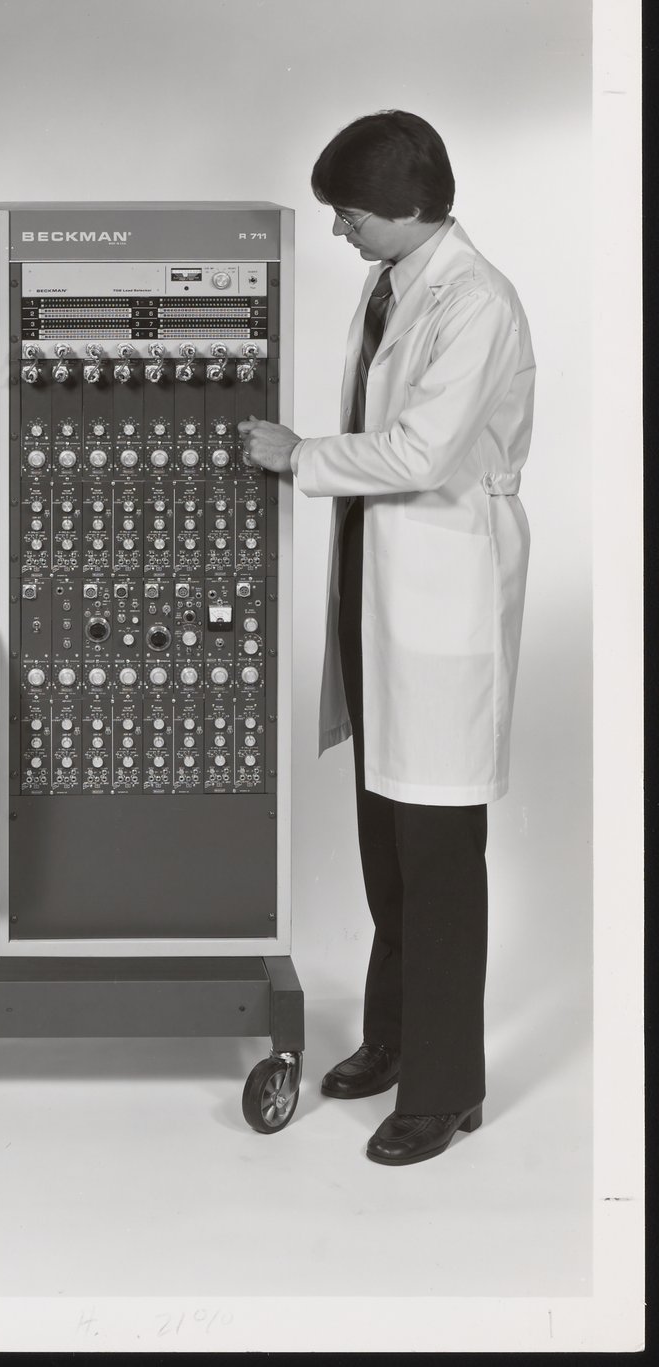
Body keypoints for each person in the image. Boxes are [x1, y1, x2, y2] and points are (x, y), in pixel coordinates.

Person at [240, 110, 534, 1165]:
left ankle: (445, 1089)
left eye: (351, 214)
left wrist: (299, 454)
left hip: (443, 591)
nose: (340, 231)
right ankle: (396, 1036)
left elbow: (421, 450)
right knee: (385, 842)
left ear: (409, 210)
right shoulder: (395, 282)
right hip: (380, 587)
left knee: (438, 857)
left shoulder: (477, 301)